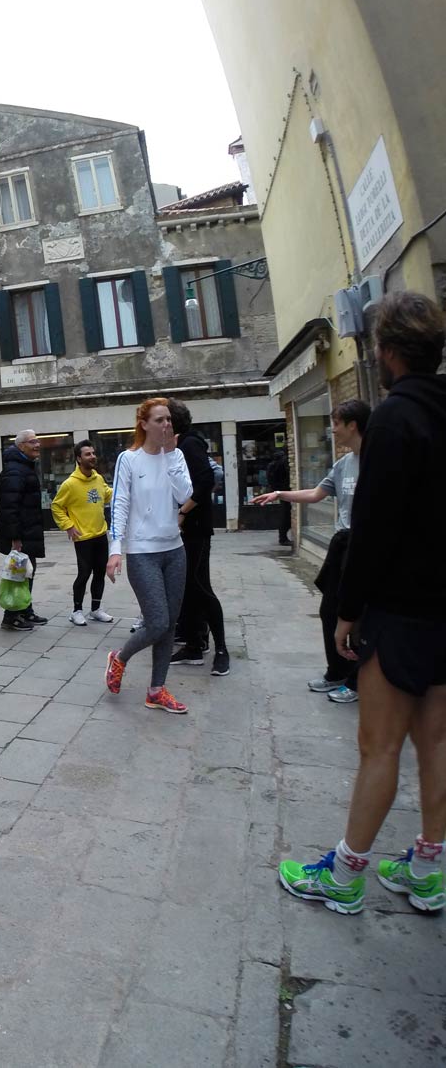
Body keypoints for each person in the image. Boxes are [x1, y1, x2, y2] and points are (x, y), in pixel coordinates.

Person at [278, 292, 446, 915]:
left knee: (379, 746)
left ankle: (346, 875)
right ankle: (429, 867)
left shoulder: (393, 421)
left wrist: (348, 612)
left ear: (389, 352)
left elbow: (373, 531)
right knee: (437, 741)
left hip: (400, 611)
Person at [254, 399, 370, 703]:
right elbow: (317, 494)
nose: (331, 430)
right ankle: (338, 671)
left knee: (359, 617)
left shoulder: (379, 460)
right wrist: (280, 494)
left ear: (352, 425)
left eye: (335, 423)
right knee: (330, 610)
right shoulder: (344, 463)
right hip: (342, 544)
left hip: (367, 547)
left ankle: (359, 681)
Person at [103, 398, 195, 715]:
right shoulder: (128, 460)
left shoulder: (177, 456)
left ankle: (156, 690)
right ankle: (120, 658)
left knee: (169, 625)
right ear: (144, 424)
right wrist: (115, 551)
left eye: (168, 420)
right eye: (159, 420)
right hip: (142, 552)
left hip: (174, 549)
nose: (166, 425)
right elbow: (119, 506)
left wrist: (170, 455)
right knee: (156, 621)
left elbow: (185, 495)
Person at [167, 401, 231, 677]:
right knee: (190, 588)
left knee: (200, 587)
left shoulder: (190, 444)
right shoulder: (180, 445)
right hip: (187, 529)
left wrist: (182, 512)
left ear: (172, 422)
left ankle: (222, 650)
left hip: (195, 528)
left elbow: (205, 482)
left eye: (163, 419)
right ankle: (195, 642)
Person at [51, 440, 114, 627]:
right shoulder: (69, 484)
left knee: (100, 573)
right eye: (88, 454)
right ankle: (76, 611)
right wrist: (68, 526)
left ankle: (95, 609)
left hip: (101, 534)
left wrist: (123, 489)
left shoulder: (98, 478)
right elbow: (56, 506)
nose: (92, 456)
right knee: (84, 573)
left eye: (93, 453)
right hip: (83, 537)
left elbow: (108, 494)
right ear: (79, 459)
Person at [0, 429, 46, 630]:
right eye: (33, 441)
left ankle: (26, 610)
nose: (37, 445)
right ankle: (11, 616)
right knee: (18, 575)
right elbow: (9, 506)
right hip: (20, 536)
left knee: (27, 572)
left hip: (28, 532)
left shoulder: (23, 467)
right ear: (21, 445)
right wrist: (15, 538)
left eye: (37, 440)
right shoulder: (15, 470)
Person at [267, 448, 292, 546]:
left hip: (279, 491)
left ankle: (283, 536)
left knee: (284, 513)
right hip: (285, 490)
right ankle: (283, 537)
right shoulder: (282, 464)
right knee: (286, 514)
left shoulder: (271, 465)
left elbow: (270, 480)